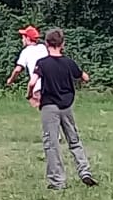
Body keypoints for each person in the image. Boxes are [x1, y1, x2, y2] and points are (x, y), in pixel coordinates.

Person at [33, 29, 97, 191]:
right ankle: (84, 171)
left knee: (52, 143)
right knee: (74, 140)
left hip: (49, 106)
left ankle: (57, 181)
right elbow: (84, 77)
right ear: (63, 44)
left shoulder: (42, 63)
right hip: (67, 106)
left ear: (46, 43)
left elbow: (32, 82)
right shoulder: (69, 63)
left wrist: (30, 95)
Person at [7, 25, 49, 107]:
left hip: (38, 87)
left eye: (23, 38)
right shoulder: (43, 47)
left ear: (28, 38)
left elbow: (17, 70)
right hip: (50, 86)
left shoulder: (26, 52)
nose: (22, 40)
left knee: (45, 111)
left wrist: (10, 80)